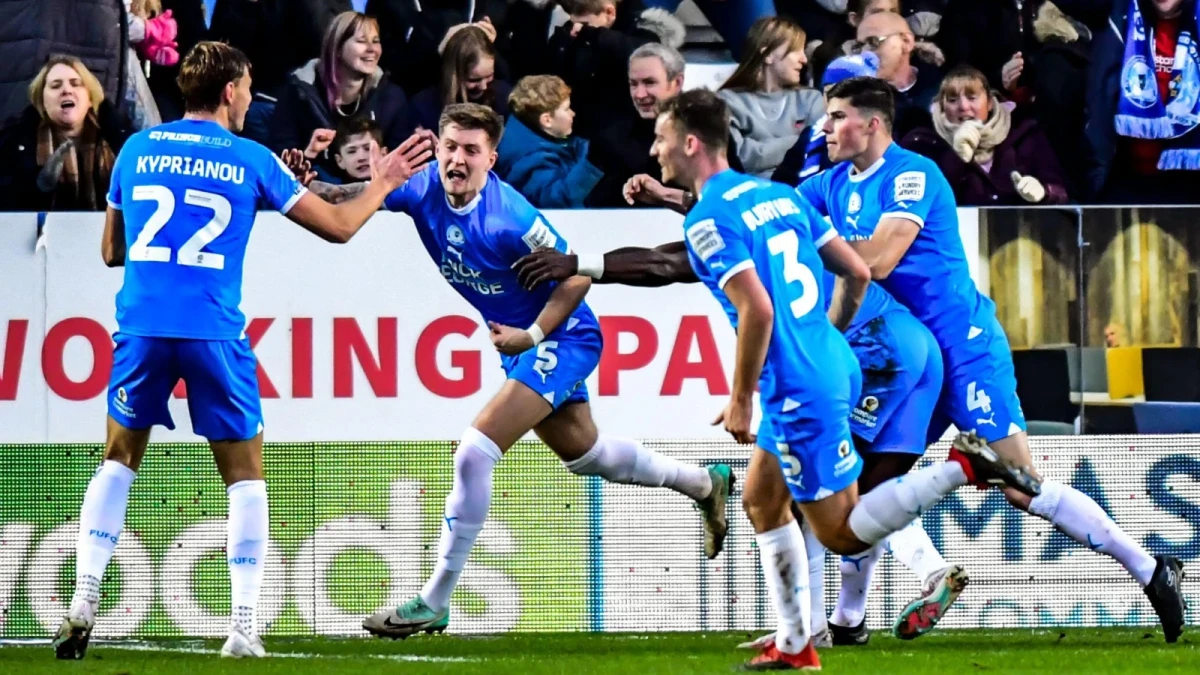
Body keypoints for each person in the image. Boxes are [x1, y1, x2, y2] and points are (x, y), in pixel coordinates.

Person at [520, 88, 1038, 670]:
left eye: (662, 139)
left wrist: (741, 399)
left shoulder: (715, 217)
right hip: (832, 360)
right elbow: (857, 269)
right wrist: (827, 333)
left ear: (691, 144)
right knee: (761, 498)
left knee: (841, 531)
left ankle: (961, 468)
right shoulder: (774, 196)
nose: (654, 148)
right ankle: (795, 642)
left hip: (798, 383)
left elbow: (757, 310)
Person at [51, 41, 433, 662]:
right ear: (230, 91)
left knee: (119, 458)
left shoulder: (137, 150)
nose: (252, 97)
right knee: (244, 475)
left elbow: (111, 253)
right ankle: (243, 626)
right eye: (250, 87)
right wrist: (383, 180)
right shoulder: (249, 157)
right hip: (213, 332)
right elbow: (338, 228)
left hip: (143, 327)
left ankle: (84, 598)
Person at [302, 103, 733, 639]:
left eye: (470, 151)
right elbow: (351, 198)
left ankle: (434, 600)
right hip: (521, 341)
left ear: (492, 159)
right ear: (437, 149)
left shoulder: (512, 217)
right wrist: (308, 185)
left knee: (474, 452)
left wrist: (532, 336)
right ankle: (704, 482)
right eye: (450, 148)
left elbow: (574, 279)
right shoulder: (422, 188)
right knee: (588, 455)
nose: (457, 160)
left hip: (562, 336)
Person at [802, 75, 1187, 642]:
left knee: (1018, 484)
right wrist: (692, 198)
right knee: (866, 483)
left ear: (872, 124)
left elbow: (878, 261)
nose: (826, 128)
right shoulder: (831, 183)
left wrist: (806, 246)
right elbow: (770, 216)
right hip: (908, 360)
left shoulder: (913, 174)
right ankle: (849, 620)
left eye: (836, 116)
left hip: (963, 347)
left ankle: (1151, 569)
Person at [0, 55, 134, 212]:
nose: (67, 90)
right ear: (42, 102)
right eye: (55, 86)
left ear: (90, 98)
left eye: (76, 84)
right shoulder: (13, 143)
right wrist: (40, 187)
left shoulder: (125, 141)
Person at [718, 17, 825, 178]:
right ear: (768, 55)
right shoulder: (727, 101)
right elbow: (741, 158)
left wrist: (759, 149)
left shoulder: (811, 99)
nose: (804, 59)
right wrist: (801, 140)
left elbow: (818, 150)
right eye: (796, 50)